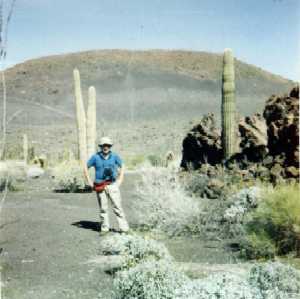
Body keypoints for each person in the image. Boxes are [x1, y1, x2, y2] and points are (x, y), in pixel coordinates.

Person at [84, 136, 129, 235]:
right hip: (100, 186)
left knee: (117, 207)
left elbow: (122, 166)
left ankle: (124, 229)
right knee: (103, 208)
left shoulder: (115, 156)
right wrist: (89, 181)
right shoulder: (95, 157)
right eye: (104, 145)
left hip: (112, 184)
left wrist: (120, 179)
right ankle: (105, 228)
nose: (106, 147)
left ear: (110, 146)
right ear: (100, 146)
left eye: (108, 145)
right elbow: (86, 167)